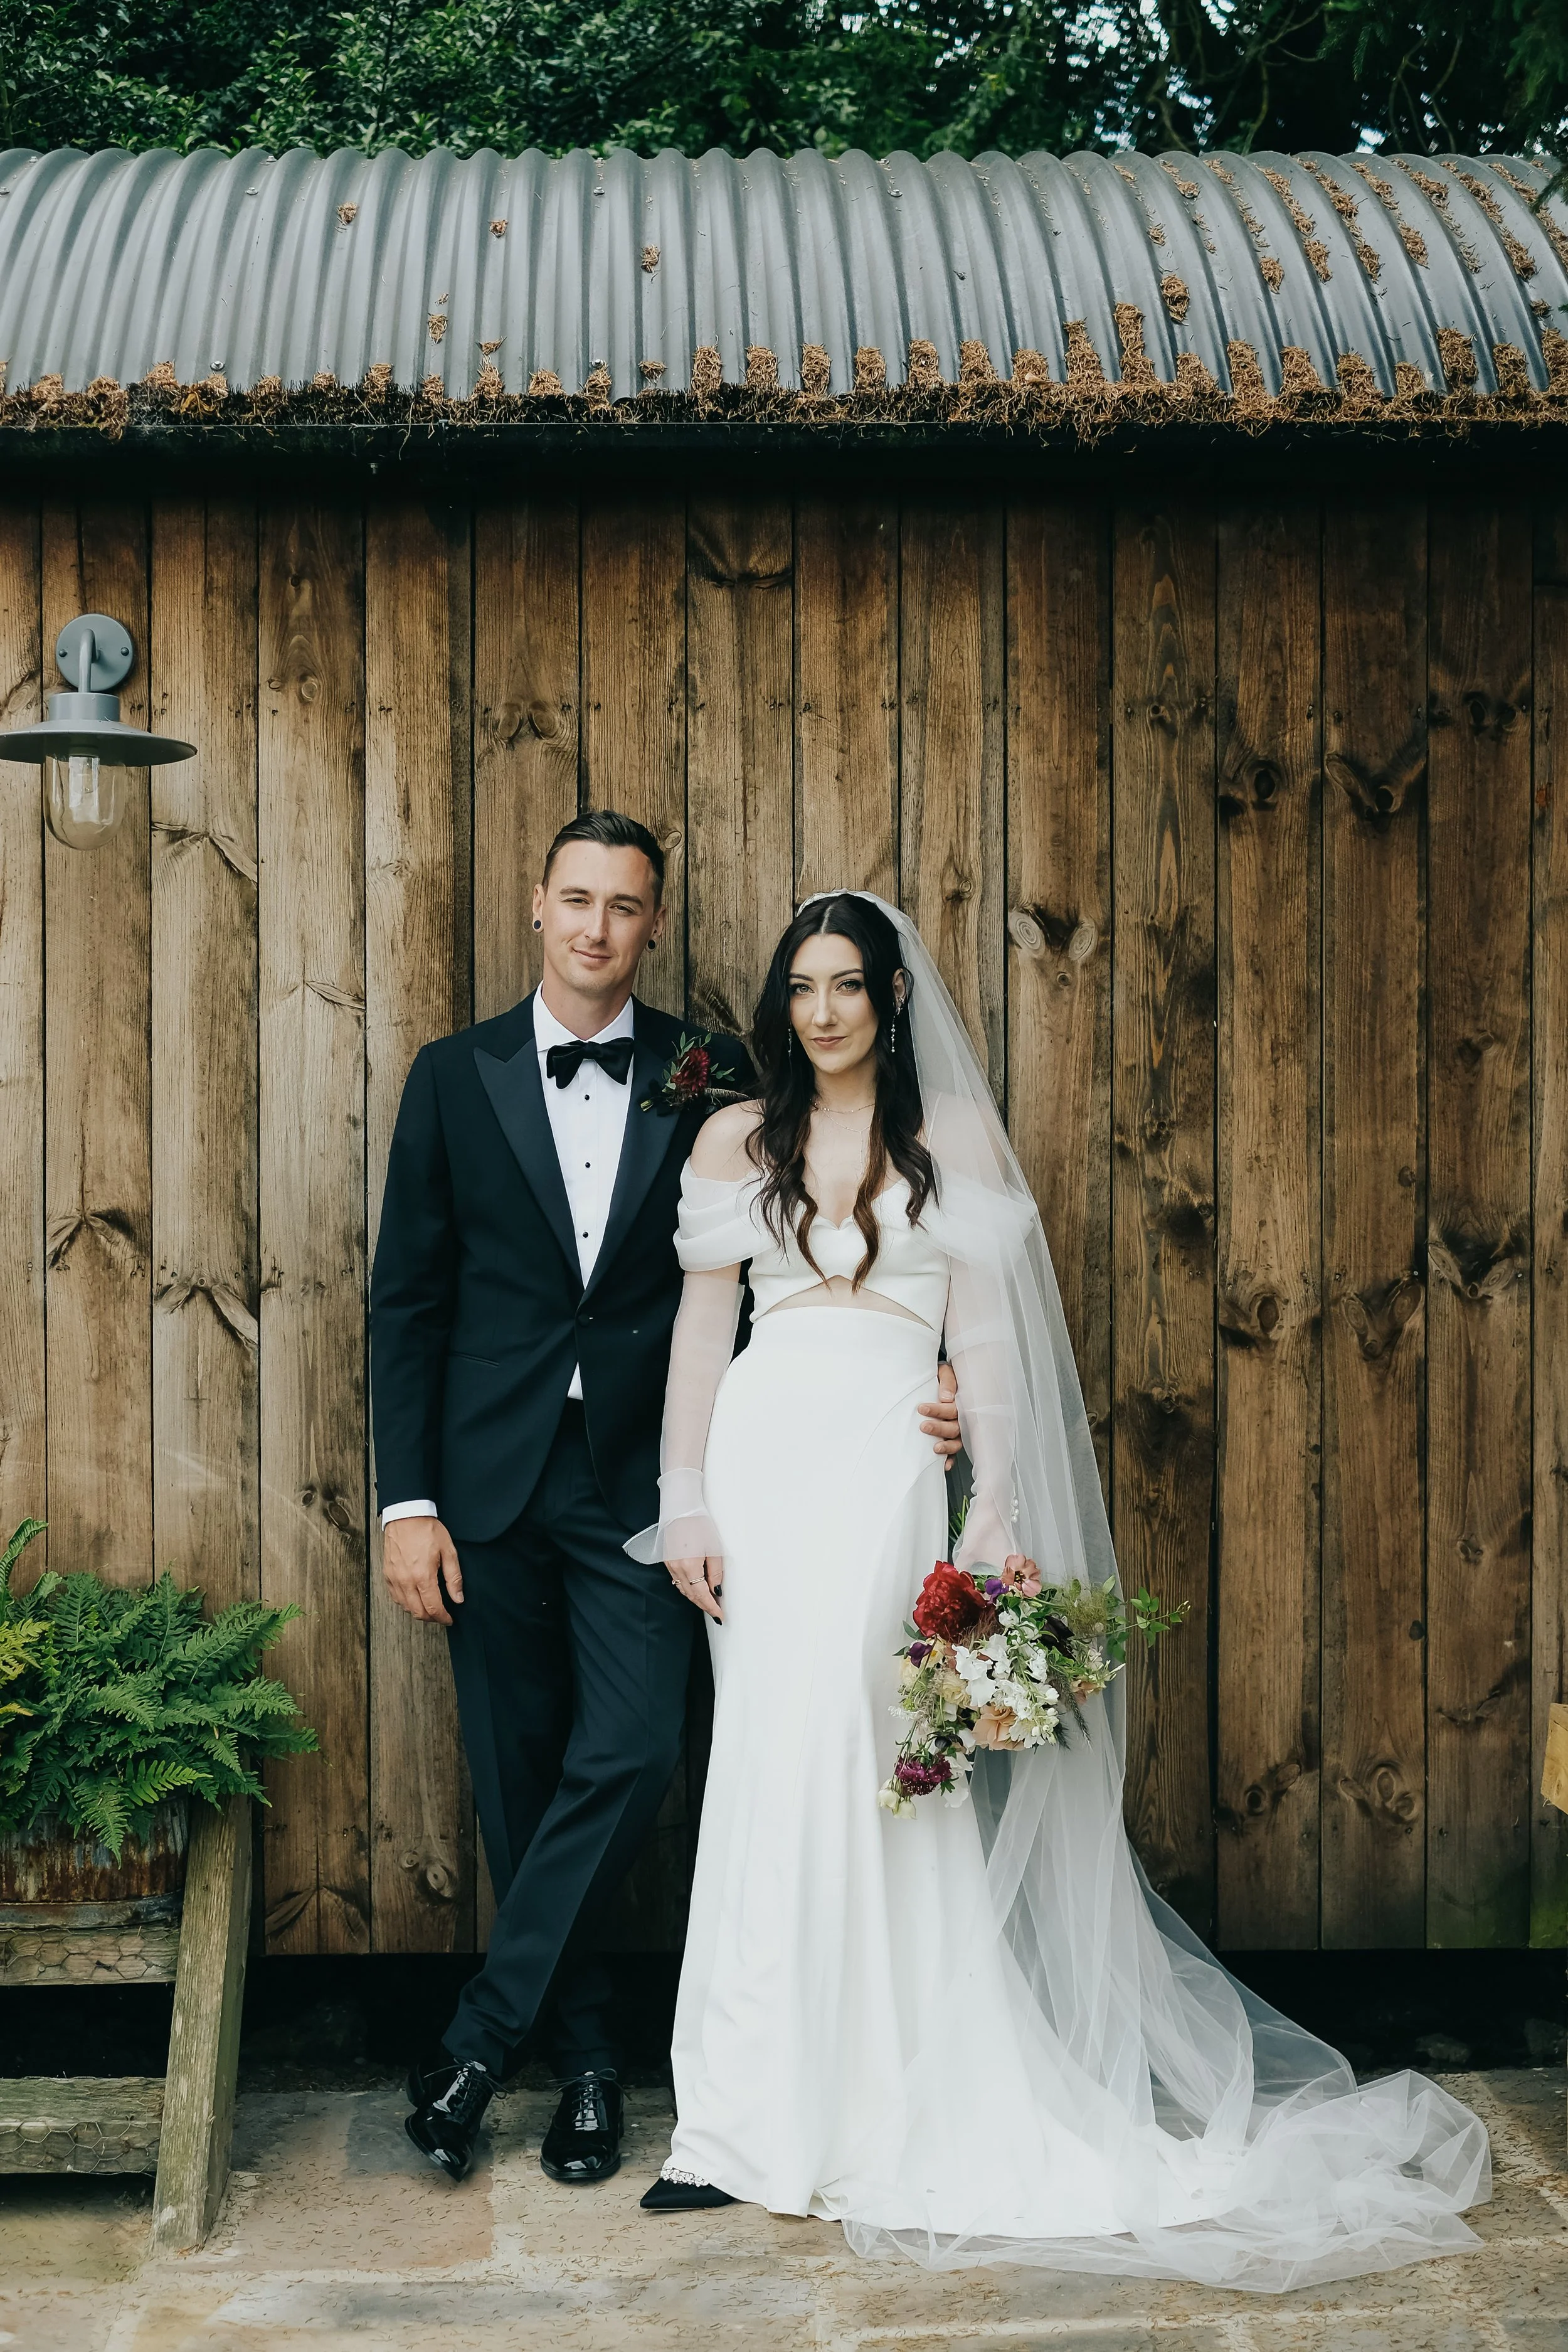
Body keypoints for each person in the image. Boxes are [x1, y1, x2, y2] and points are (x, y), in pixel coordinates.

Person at [629, 888, 1491, 2292]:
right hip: (764, 1460)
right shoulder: (737, 1137)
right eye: (801, 986)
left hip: (890, 1461)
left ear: (890, 1000)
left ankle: (891, 2093)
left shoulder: (949, 1141)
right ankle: (734, 2120)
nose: (824, 1011)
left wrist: (995, 1513)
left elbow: (987, 1340)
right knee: (764, 1759)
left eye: (847, 984)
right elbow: (699, 1324)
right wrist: (684, 1496)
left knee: (874, 1753)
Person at [369, 816, 961, 2185]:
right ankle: (584, 2067)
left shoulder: (718, 1077)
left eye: (624, 906)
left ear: (650, 922)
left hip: (650, 1476)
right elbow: (407, 1301)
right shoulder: (452, 1076)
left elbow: (812, 1233)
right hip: (487, 1481)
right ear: (538, 904)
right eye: (575, 899)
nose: (596, 927)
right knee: (520, 1778)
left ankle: (476, 2040)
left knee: (634, 1752)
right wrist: (408, 1504)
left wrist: (936, 1364)